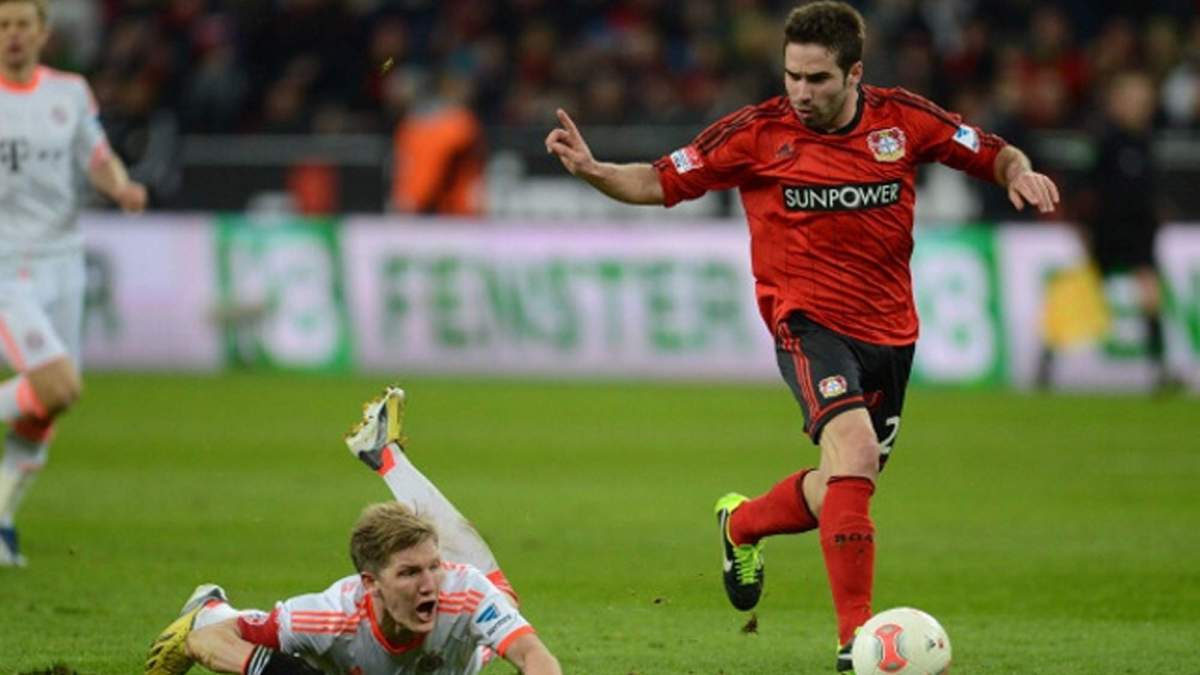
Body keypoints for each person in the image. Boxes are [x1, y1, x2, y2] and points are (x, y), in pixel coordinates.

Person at [545, 2, 1059, 671]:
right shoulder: (755, 133)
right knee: (852, 446)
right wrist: (592, 169)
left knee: (847, 479)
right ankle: (858, 641)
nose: (801, 92)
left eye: (818, 78)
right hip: (807, 323)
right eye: (793, 76)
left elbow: (989, 151)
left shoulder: (903, 121)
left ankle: (741, 524)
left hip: (892, 333)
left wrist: (1018, 171)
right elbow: (657, 179)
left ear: (855, 74)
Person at [143, 386, 562, 675]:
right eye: (409, 573)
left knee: (501, 596)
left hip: (452, 658)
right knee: (235, 626)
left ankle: (385, 454)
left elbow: (534, 656)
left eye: (434, 567)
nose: (430, 583)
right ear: (370, 584)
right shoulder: (329, 617)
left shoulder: (462, 593)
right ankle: (212, 607)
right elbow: (208, 642)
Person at [0, 0, 147, 566]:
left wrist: (122, 185)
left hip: (63, 260)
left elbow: (98, 156)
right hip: (7, 263)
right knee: (59, 386)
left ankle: (3, 518)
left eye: (22, 26)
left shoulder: (68, 93)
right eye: (4, 26)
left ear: (43, 34)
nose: (13, 36)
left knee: (46, 408)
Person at [1079, 69, 1173, 389]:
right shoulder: (1107, 141)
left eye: (1145, 102)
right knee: (1080, 293)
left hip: (1138, 233)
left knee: (1150, 295)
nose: (1141, 107)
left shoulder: (1145, 141)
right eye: (1134, 101)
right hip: (1108, 231)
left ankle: (1160, 369)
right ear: (1116, 103)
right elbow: (1088, 189)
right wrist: (1085, 229)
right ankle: (1046, 359)